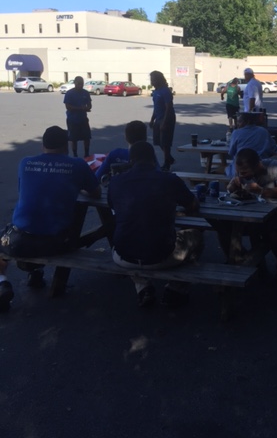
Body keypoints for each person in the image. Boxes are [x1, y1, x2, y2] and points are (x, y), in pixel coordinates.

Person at [0, 126, 101, 312]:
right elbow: (96, 192)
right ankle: (35, 271)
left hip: (20, 241)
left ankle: (2, 282)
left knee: (14, 231)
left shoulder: (25, 163)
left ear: (42, 145)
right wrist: (75, 184)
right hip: (57, 243)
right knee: (47, 226)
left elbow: (27, 193)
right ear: (67, 145)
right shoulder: (78, 165)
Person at [107, 141, 203, 308]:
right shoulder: (169, 180)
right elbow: (192, 205)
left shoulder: (116, 181)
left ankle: (143, 287)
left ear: (131, 160)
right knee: (196, 235)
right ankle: (176, 288)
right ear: (153, 159)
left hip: (122, 255)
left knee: (131, 234)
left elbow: (112, 205)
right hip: (162, 255)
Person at [220, 148, 277, 283]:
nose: (242, 175)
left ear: (257, 165)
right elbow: (231, 188)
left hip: (275, 213)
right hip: (248, 212)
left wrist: (261, 190)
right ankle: (239, 261)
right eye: (239, 172)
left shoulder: (274, 166)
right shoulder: (242, 173)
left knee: (275, 234)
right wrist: (232, 186)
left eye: (245, 172)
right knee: (223, 226)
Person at [225, 112, 277, 177]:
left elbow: (231, 152)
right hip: (261, 167)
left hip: (241, 169)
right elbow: (273, 148)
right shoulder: (263, 131)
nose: (237, 124)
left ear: (246, 121)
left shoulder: (236, 133)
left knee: (227, 169)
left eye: (239, 122)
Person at [150, 70, 176, 171]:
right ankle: (169, 158)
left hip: (167, 118)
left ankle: (167, 164)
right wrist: (152, 119)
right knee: (158, 141)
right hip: (158, 117)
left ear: (158, 79)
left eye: (153, 79)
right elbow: (156, 107)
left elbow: (168, 107)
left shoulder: (165, 91)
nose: (151, 82)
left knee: (165, 142)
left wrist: (164, 122)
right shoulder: (156, 92)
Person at [64, 75, 92, 158]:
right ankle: (75, 155)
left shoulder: (85, 93)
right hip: (72, 119)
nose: (80, 85)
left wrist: (87, 108)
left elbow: (89, 105)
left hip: (83, 119)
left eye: (82, 84)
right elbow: (68, 106)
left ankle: (86, 154)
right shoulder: (69, 93)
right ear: (75, 83)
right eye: (79, 83)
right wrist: (81, 108)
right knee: (73, 139)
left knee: (87, 137)